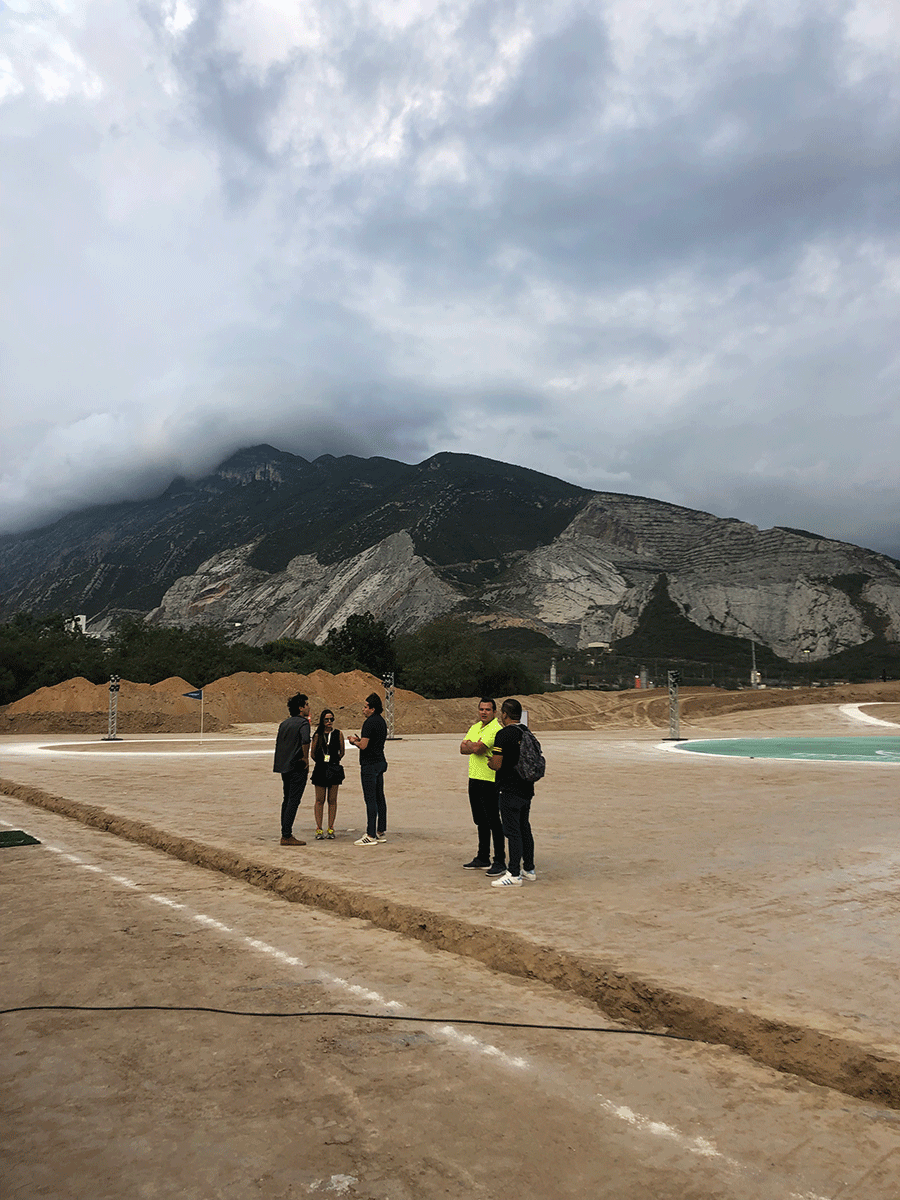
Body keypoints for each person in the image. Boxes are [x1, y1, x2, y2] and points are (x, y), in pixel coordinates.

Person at [487, 698, 537, 888]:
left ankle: (514, 873)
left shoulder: (503, 734)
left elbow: (497, 764)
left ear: (505, 714)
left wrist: (490, 762)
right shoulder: (526, 731)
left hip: (509, 788)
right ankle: (529, 869)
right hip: (526, 787)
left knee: (512, 831)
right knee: (524, 827)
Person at [459, 697, 506, 877]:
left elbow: (478, 748)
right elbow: (462, 748)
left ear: (494, 712)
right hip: (475, 778)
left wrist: (471, 745)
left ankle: (500, 860)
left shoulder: (495, 729)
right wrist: (472, 745)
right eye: (481, 709)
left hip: (490, 779)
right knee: (480, 820)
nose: (484, 712)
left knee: (494, 820)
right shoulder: (475, 727)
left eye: (487, 709)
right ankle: (483, 856)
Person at [347, 692, 388, 846]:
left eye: (365, 707)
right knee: (380, 797)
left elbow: (364, 745)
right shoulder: (382, 722)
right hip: (379, 761)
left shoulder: (369, 723)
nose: (363, 709)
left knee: (370, 799)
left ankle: (370, 834)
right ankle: (380, 831)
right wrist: (361, 740)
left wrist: (354, 742)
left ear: (372, 708)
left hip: (369, 764)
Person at [273, 693, 311, 846]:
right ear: (301, 708)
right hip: (297, 766)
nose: (309, 707)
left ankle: (285, 831)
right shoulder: (303, 723)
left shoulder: (284, 724)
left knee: (286, 799)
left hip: (284, 766)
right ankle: (286, 834)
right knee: (294, 800)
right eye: (306, 704)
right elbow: (305, 739)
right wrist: (305, 758)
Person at [310, 708, 345, 840]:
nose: (329, 722)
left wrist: (334, 761)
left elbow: (342, 752)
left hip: (334, 769)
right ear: (322, 721)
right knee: (320, 800)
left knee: (332, 800)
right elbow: (312, 754)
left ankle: (331, 827)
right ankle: (319, 828)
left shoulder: (338, 734)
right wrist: (322, 761)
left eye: (331, 719)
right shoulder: (317, 735)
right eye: (326, 719)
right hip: (320, 769)